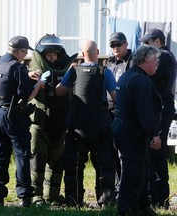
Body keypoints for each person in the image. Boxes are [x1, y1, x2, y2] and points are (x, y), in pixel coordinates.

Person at [56, 39, 116, 207]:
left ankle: (73, 200)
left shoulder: (73, 71)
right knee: (104, 166)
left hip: (77, 127)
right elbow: (115, 96)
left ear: (82, 55)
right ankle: (106, 201)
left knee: (74, 166)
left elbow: (59, 91)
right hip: (100, 128)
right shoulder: (105, 72)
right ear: (97, 53)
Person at [0, 36, 43, 207]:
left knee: (0, 156)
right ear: (19, 51)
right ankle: (24, 197)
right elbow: (27, 95)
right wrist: (38, 84)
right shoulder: (17, 67)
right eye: (25, 53)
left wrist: (27, 75)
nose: (25, 56)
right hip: (14, 117)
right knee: (22, 156)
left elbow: (8, 79)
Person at [112, 45, 162, 216]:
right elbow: (145, 111)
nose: (158, 64)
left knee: (141, 168)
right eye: (156, 60)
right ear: (146, 60)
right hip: (131, 132)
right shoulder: (140, 80)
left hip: (122, 128)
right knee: (133, 171)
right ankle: (126, 210)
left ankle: (142, 206)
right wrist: (155, 134)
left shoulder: (128, 75)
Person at [28, 34, 78, 205]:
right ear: (41, 55)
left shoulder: (68, 71)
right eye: (48, 54)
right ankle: (35, 195)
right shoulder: (32, 72)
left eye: (54, 54)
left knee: (57, 162)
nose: (52, 57)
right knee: (38, 159)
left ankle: (52, 195)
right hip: (40, 124)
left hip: (60, 123)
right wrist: (31, 77)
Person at [140, 28, 177, 209]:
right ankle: (157, 196)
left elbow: (149, 76)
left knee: (157, 152)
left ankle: (160, 198)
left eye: (148, 43)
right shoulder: (165, 56)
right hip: (160, 108)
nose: (146, 48)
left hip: (162, 109)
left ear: (157, 41)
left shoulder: (163, 56)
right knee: (155, 153)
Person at [106, 32, 133, 199]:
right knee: (112, 152)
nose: (115, 48)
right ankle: (115, 189)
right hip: (109, 112)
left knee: (124, 154)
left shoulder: (132, 62)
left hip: (124, 113)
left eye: (118, 44)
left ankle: (125, 189)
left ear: (126, 43)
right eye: (112, 45)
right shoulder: (109, 62)